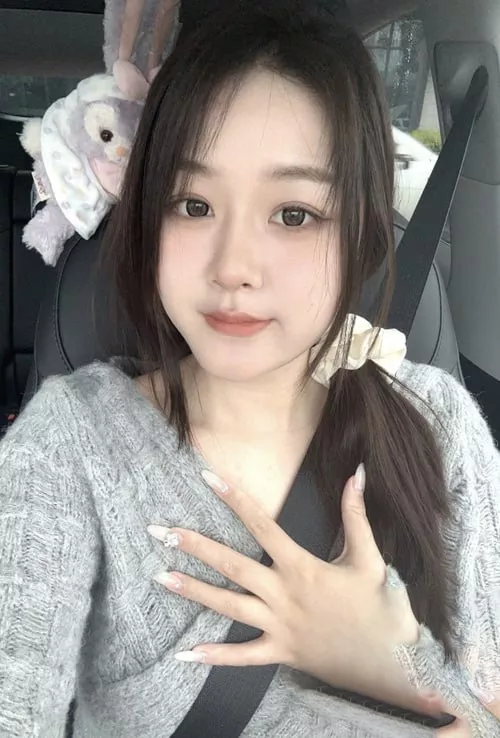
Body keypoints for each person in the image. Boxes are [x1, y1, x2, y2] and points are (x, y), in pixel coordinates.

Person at [0, 2, 499, 737]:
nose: (233, 266)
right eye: (192, 204)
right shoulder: (71, 447)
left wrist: (388, 665)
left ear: (361, 232)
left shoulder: (439, 425)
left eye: (294, 214)